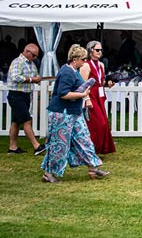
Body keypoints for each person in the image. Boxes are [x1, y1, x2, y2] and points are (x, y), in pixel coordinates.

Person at [40, 45, 108, 183]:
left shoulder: (74, 71)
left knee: (84, 139)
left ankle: (93, 167)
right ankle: (49, 173)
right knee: (59, 144)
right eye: (83, 59)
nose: (85, 62)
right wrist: (83, 94)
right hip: (62, 113)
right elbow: (63, 94)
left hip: (74, 112)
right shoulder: (66, 72)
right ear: (75, 59)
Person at [6, 43, 47, 155]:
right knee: (27, 120)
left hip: (25, 95)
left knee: (16, 122)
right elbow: (15, 77)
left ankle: (12, 147)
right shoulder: (17, 62)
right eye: (33, 55)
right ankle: (36, 146)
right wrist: (31, 79)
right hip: (16, 95)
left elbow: (34, 77)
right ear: (27, 52)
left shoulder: (31, 64)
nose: (35, 58)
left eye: (36, 56)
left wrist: (37, 79)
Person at [79, 40, 116, 155]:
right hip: (92, 95)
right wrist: (87, 99)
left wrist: (108, 83)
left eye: (101, 50)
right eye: (97, 50)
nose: (100, 52)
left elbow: (101, 81)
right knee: (98, 123)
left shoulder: (101, 65)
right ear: (90, 51)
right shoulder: (86, 65)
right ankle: (92, 149)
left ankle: (99, 148)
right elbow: (83, 83)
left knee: (103, 123)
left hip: (100, 96)